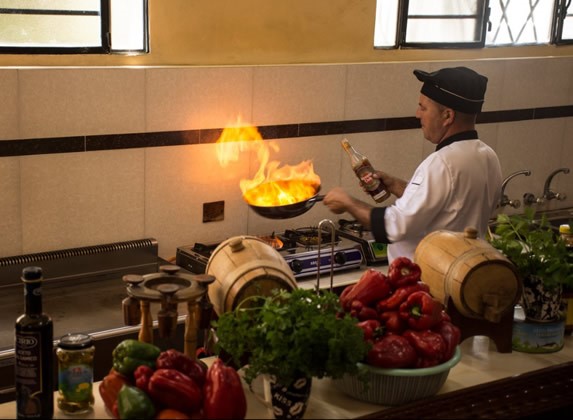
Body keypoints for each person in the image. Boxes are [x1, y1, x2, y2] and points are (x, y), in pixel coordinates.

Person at [323, 66, 502, 263]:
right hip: (462, 274)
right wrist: (397, 186)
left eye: (423, 108)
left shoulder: (441, 163)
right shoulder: (488, 156)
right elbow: (448, 206)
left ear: (447, 116)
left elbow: (394, 227)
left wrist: (348, 202)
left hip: (425, 282)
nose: (418, 114)